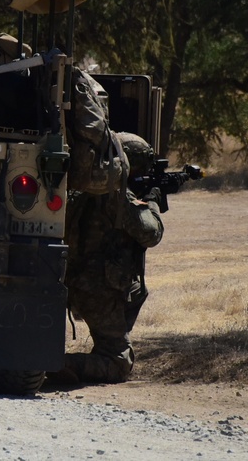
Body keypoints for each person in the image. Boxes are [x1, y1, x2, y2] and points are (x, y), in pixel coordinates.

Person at [59, 131, 164, 383]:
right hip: (100, 289)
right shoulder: (119, 197)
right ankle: (53, 365)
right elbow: (151, 233)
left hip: (72, 281)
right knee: (118, 363)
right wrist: (152, 204)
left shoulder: (80, 188)